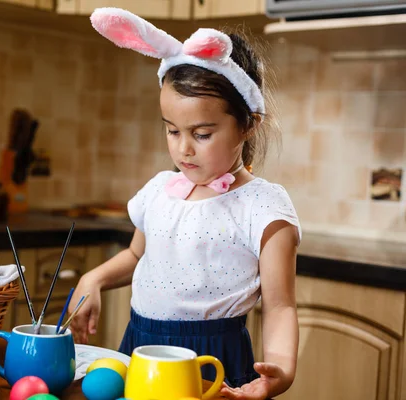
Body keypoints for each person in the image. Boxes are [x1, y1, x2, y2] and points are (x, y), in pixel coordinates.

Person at [69, 8, 301, 400]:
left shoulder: (263, 208)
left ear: (248, 123)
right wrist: (94, 279)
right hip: (139, 348)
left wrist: (282, 372)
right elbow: (136, 254)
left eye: (203, 133)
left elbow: (280, 306)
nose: (183, 148)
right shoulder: (160, 190)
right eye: (172, 130)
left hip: (213, 361)